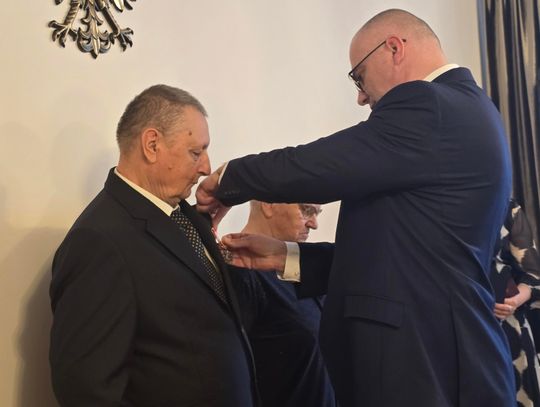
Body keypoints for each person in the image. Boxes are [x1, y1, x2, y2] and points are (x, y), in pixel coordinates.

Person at [196, 8, 515, 407]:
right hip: (442, 360)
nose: (361, 96)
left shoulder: (430, 104)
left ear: (394, 48)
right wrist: (287, 257)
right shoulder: (467, 109)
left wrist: (228, 180)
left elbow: (319, 166)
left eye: (359, 77)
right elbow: (403, 259)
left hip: (427, 369)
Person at [49, 85, 259, 406]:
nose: (206, 167)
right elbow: (86, 390)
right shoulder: (99, 242)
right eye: (195, 152)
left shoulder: (183, 214)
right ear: (151, 145)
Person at [229, 201, 336, 407]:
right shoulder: (240, 275)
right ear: (268, 204)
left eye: (318, 213)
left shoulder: (310, 272)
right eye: (306, 210)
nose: (314, 224)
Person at [491, 198, 540, 406]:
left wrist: (514, 301)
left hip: (507, 328)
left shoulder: (505, 206)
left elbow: (534, 275)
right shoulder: (427, 202)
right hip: (450, 323)